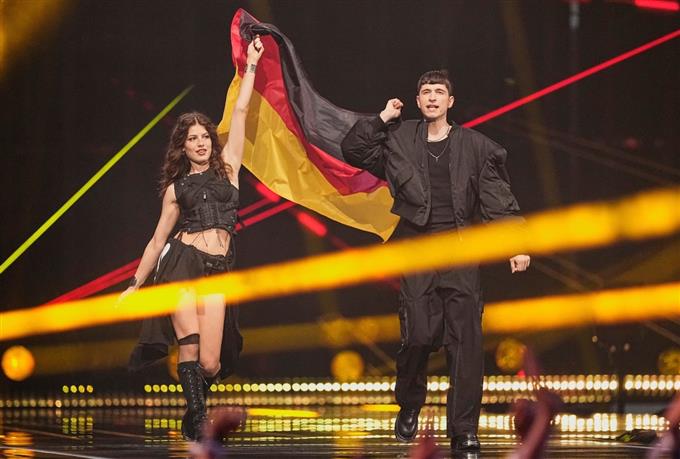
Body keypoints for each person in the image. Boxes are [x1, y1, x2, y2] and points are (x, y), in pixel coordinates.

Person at [341, 69, 530, 453]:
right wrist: (382, 118)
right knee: (418, 335)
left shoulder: (475, 146)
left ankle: (463, 429)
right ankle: (410, 401)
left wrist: (516, 244)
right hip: (418, 251)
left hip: (460, 253)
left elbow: (498, 197)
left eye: (438, 92)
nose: (431, 97)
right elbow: (353, 150)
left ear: (450, 101)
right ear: (417, 100)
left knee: (466, 343)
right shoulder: (400, 138)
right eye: (426, 92)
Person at [123, 36, 264, 441]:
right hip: (182, 265)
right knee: (189, 344)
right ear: (182, 147)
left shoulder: (230, 167)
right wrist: (135, 283)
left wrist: (251, 65)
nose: (201, 143)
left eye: (205, 136)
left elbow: (240, 110)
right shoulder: (176, 189)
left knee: (211, 362)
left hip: (218, 271)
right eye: (193, 139)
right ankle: (201, 422)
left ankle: (193, 411)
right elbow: (156, 241)